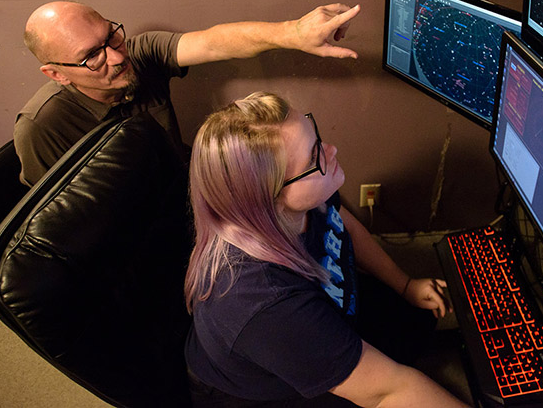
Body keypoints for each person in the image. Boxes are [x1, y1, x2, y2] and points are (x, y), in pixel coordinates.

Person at [184, 92, 470, 408]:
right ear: (270, 199)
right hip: (272, 388)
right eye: (312, 158)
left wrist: (404, 284)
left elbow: (342, 224)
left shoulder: (306, 196)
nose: (330, 151)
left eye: (317, 139)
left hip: (325, 303)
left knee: (416, 321)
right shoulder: (266, 302)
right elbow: (388, 390)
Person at [15, 1, 361, 186]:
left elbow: (213, 42)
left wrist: (295, 33)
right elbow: (57, 222)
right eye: (92, 56)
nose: (118, 57)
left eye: (112, 36)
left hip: (187, 183)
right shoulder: (42, 126)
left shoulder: (139, 54)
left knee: (308, 171)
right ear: (56, 74)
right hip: (138, 223)